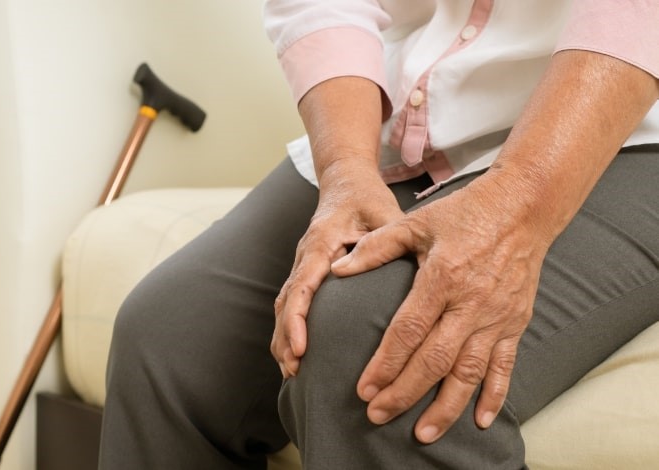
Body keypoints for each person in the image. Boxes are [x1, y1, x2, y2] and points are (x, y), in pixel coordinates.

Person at [99, 1, 659, 468]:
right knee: (170, 334)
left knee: (372, 347)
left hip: (631, 125)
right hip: (434, 111)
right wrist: (345, 169)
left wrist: (518, 202)